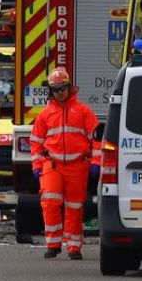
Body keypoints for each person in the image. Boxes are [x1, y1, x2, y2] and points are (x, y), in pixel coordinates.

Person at [30, 67, 99, 260]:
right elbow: (35, 142)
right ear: (51, 91)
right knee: (50, 202)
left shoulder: (84, 111)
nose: (60, 92)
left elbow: (96, 139)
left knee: (75, 207)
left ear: (69, 87)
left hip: (78, 166)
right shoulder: (44, 115)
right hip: (52, 164)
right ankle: (53, 244)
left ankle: (74, 247)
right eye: (56, 89)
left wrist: (95, 160)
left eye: (63, 88)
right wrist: (36, 166)